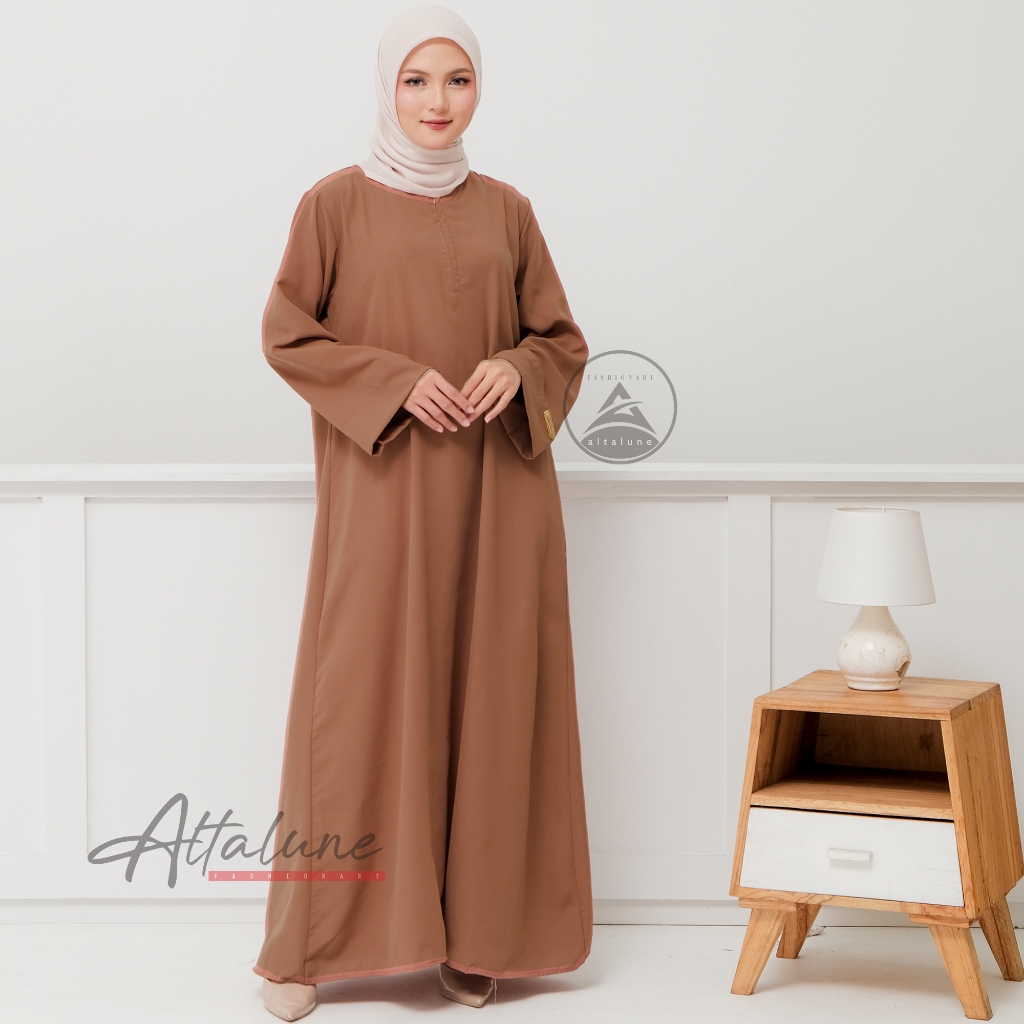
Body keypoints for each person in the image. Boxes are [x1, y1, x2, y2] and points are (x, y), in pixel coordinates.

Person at [254, 6, 593, 1019]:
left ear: (478, 89)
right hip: (385, 488)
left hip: (499, 495)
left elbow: (561, 341)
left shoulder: (508, 211)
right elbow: (287, 335)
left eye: (456, 80)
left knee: (492, 701)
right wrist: (394, 382)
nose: (437, 101)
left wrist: (515, 366)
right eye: (416, 80)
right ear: (386, 88)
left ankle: (479, 936)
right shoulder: (333, 204)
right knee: (356, 699)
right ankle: (307, 947)